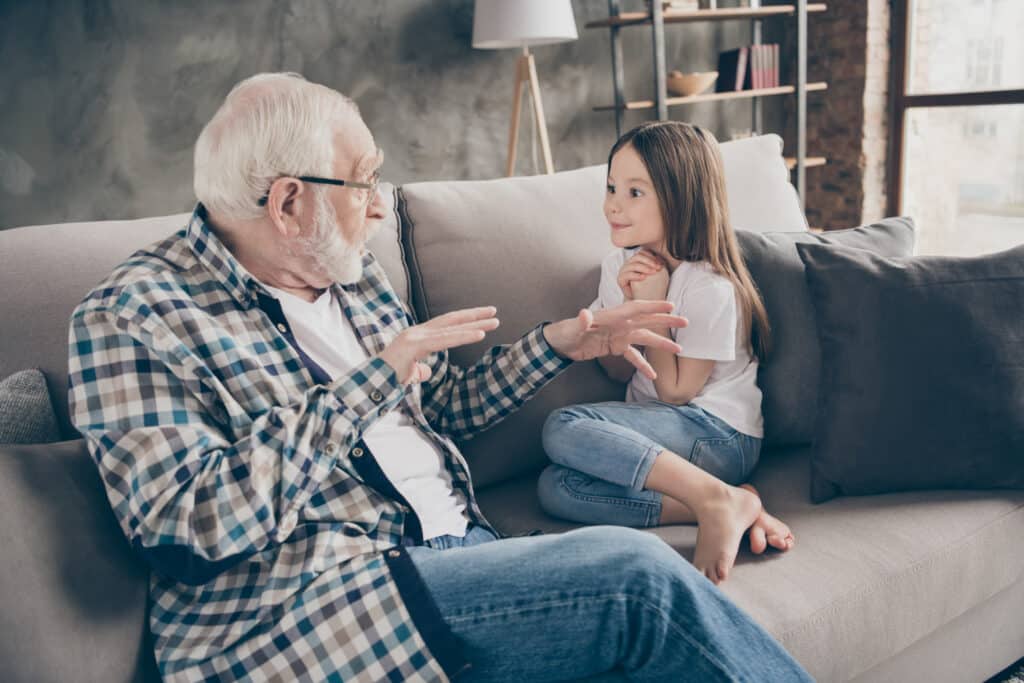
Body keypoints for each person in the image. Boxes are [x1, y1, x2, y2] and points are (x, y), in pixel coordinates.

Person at [68, 73, 811, 682]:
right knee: (637, 579)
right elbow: (185, 529)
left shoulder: (347, 277)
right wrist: (371, 382)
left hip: (461, 560)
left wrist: (561, 342)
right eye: (362, 181)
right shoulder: (136, 314)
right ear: (289, 202)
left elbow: (442, 413)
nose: (380, 202)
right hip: (320, 607)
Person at [539, 121, 795, 586]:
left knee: (563, 427)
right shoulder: (617, 265)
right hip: (661, 435)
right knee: (557, 488)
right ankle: (725, 501)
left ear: (681, 198)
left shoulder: (709, 285)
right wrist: (624, 311)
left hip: (718, 433)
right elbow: (618, 371)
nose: (613, 204)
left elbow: (677, 392)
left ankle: (719, 496)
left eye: (635, 192)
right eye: (612, 187)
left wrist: (654, 306)